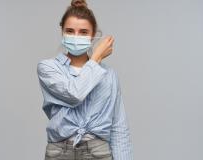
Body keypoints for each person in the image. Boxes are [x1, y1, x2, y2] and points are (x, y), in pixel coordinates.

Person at [36, 0, 133, 159]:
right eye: (70, 31)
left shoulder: (108, 74)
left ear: (94, 35)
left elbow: (118, 126)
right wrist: (96, 58)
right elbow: (74, 93)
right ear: (62, 32)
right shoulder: (48, 68)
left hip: (98, 152)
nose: (76, 37)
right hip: (60, 152)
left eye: (83, 32)